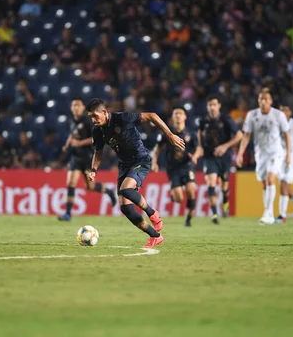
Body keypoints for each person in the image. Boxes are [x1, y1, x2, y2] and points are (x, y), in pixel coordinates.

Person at [86, 98, 185, 248]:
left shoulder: (121, 118)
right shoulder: (97, 131)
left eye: (95, 115)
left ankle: (153, 213)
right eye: (90, 117)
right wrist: (93, 170)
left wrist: (170, 135)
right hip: (124, 165)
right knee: (125, 207)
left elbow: (151, 115)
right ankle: (155, 236)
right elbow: (98, 153)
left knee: (126, 190)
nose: (93, 120)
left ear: (104, 112)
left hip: (141, 159)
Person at [236, 88, 290, 225]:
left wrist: (288, 153)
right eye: (261, 99)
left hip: (276, 152)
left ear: (271, 101)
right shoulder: (252, 115)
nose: (263, 102)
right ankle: (270, 214)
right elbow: (247, 135)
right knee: (264, 183)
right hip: (260, 154)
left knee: (271, 178)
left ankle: (267, 212)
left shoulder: (278, 115)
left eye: (266, 99)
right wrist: (240, 153)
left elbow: (286, 134)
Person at [58, 97, 117, 221]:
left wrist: (78, 143)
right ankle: (67, 213)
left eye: (78, 105)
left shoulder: (87, 120)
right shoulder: (72, 121)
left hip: (88, 156)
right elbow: (72, 134)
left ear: (82, 107)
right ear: (71, 108)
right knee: (71, 183)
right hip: (76, 157)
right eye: (73, 105)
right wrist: (67, 144)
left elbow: (94, 138)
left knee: (90, 187)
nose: (76, 108)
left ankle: (109, 191)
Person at [192, 95, 243, 224]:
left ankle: (225, 202)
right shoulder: (203, 121)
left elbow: (239, 135)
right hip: (209, 157)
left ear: (219, 106)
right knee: (211, 182)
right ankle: (214, 213)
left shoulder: (226, 119)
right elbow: (199, 135)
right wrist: (199, 148)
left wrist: (225, 146)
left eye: (214, 105)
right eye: (210, 105)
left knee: (224, 185)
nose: (212, 107)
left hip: (224, 157)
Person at [152, 105, 198, 227]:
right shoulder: (167, 133)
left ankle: (188, 218)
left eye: (180, 113)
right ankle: (174, 195)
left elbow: (198, 148)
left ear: (185, 116)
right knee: (179, 199)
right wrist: (154, 162)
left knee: (190, 190)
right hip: (173, 169)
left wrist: (195, 156)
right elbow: (157, 148)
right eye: (175, 113)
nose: (178, 115)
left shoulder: (191, 134)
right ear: (172, 117)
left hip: (187, 166)